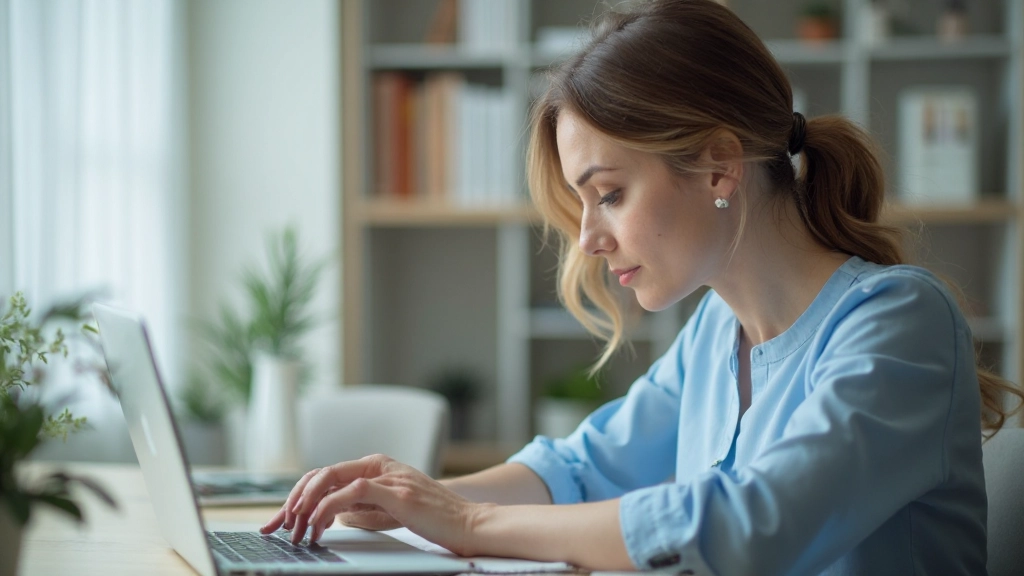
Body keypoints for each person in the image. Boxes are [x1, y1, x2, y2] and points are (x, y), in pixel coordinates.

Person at [262, 0, 1023, 573]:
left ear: (719, 166)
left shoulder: (900, 320)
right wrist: (411, 496)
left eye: (610, 194)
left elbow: (748, 527)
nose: (588, 239)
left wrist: (466, 522)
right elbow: (581, 469)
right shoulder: (714, 334)